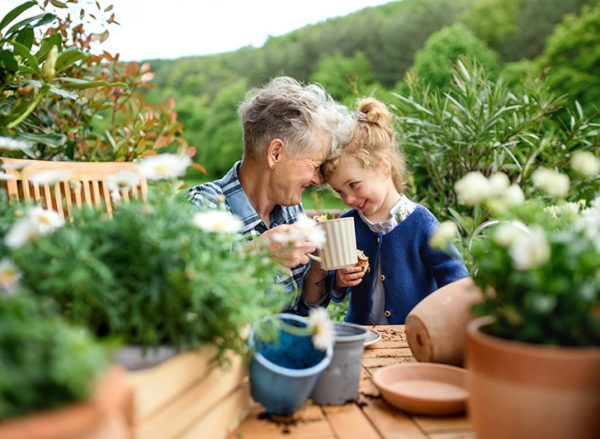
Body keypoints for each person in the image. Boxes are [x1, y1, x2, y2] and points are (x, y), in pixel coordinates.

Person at [187, 76, 354, 315]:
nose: (318, 180)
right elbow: (184, 302)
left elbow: (304, 312)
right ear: (275, 153)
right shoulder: (204, 208)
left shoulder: (288, 209)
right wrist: (257, 257)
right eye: (314, 165)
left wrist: (319, 266)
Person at [303, 97, 468, 324]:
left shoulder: (421, 223)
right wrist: (340, 281)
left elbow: (455, 278)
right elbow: (335, 288)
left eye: (353, 185)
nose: (348, 199)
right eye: (340, 192)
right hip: (362, 335)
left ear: (383, 166)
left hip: (410, 338)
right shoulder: (348, 224)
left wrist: (446, 320)